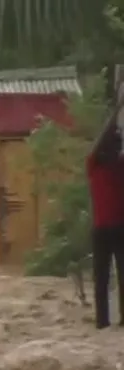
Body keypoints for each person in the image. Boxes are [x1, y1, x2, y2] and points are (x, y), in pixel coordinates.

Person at [87, 107, 124, 329]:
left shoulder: (95, 166)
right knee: (109, 278)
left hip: (107, 229)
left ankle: (103, 322)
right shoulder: (101, 166)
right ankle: (105, 321)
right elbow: (100, 142)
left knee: (101, 278)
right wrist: (116, 110)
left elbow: (99, 144)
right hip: (114, 228)